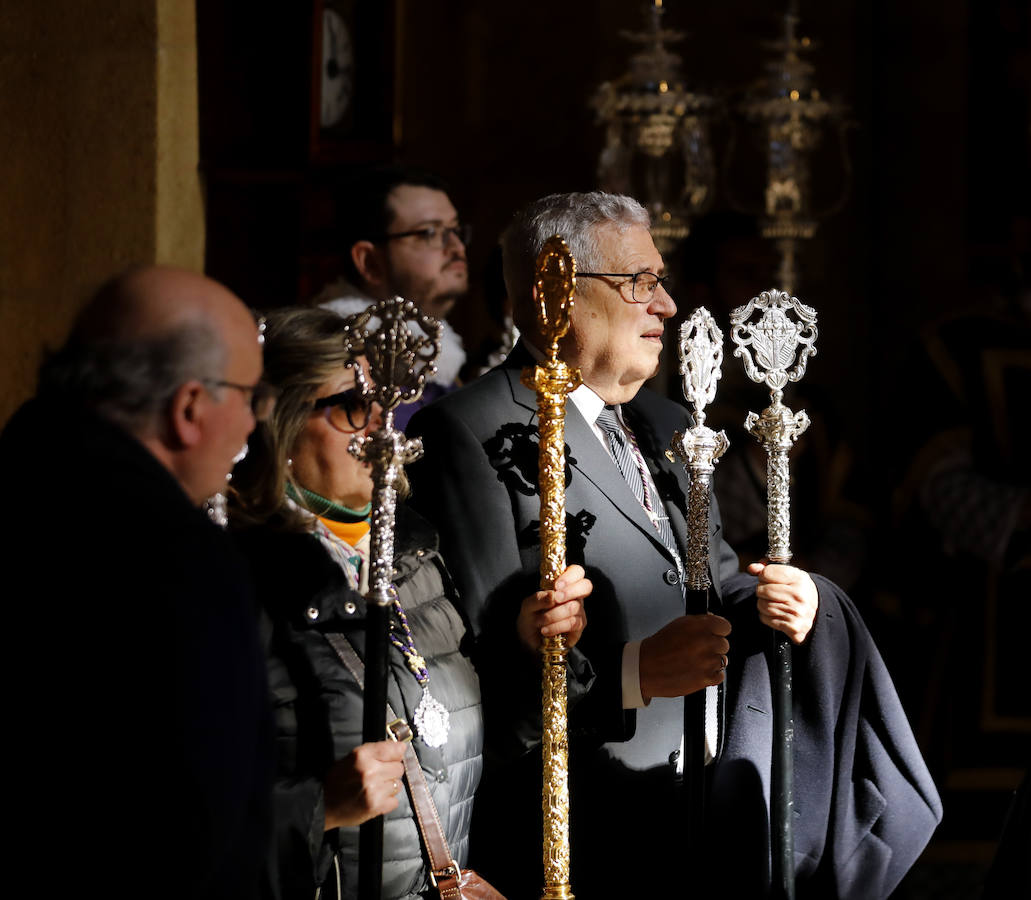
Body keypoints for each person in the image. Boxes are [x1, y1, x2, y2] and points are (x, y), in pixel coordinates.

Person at [407, 192, 940, 898]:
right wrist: (635, 672)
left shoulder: (663, 422)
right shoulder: (470, 429)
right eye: (640, 284)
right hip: (582, 831)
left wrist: (791, 598)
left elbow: (710, 574)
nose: (666, 306)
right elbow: (479, 658)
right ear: (555, 292)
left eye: (661, 281)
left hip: (701, 811)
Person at [227, 307, 589, 899]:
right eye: (351, 406)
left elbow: (461, 753)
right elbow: (176, 827)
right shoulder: (239, 581)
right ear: (281, 423)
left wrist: (531, 655)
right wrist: (319, 808)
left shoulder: (414, 557)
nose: (380, 427)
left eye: (386, 403)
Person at [0, 266, 275, 898]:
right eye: (249, 395)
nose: (254, 423)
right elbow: (198, 825)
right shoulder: (181, 561)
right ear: (188, 408)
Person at [315, 165, 471, 428]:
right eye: (429, 233)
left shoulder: (446, 360)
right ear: (369, 262)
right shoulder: (341, 364)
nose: (457, 247)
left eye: (455, 230)